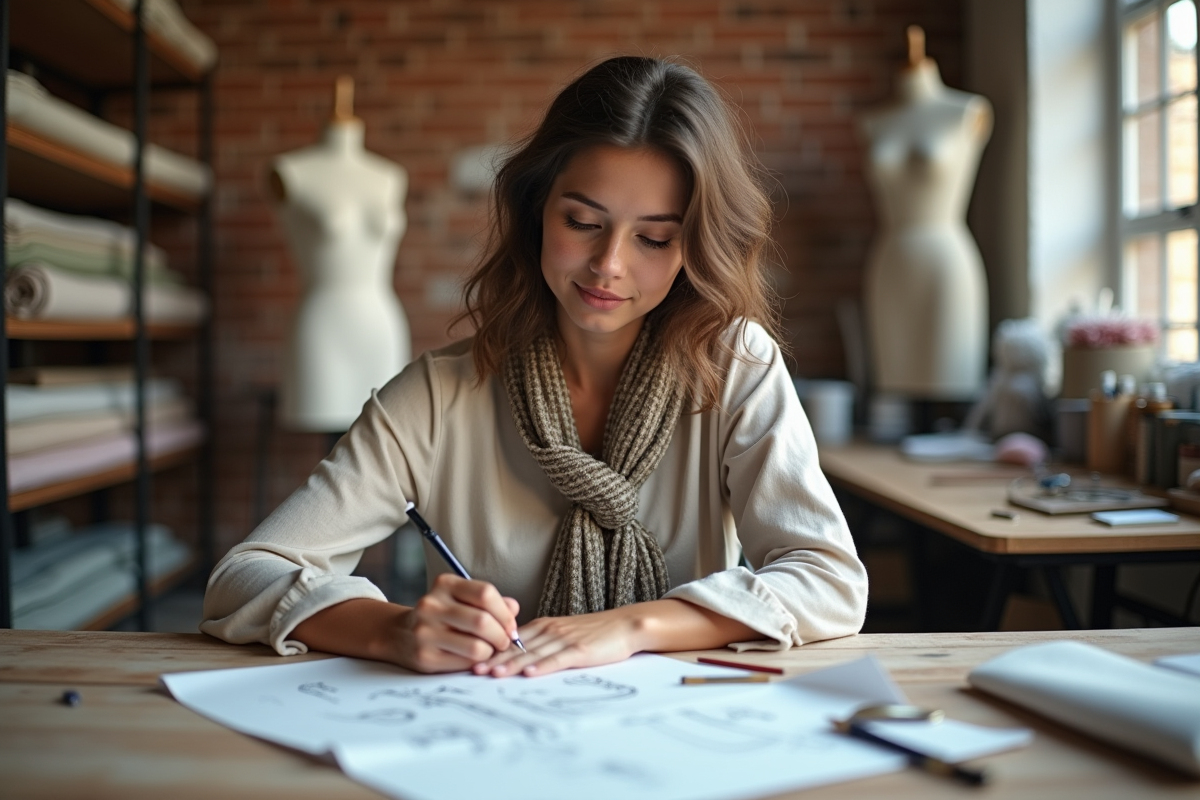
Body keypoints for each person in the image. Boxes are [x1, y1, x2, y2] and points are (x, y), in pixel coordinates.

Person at [202, 56, 868, 677]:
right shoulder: (439, 396)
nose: (609, 265)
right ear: (536, 211)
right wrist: (393, 630)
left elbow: (830, 580)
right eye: (582, 222)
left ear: (694, 246)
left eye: (653, 238)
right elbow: (244, 575)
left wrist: (633, 626)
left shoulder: (735, 366)